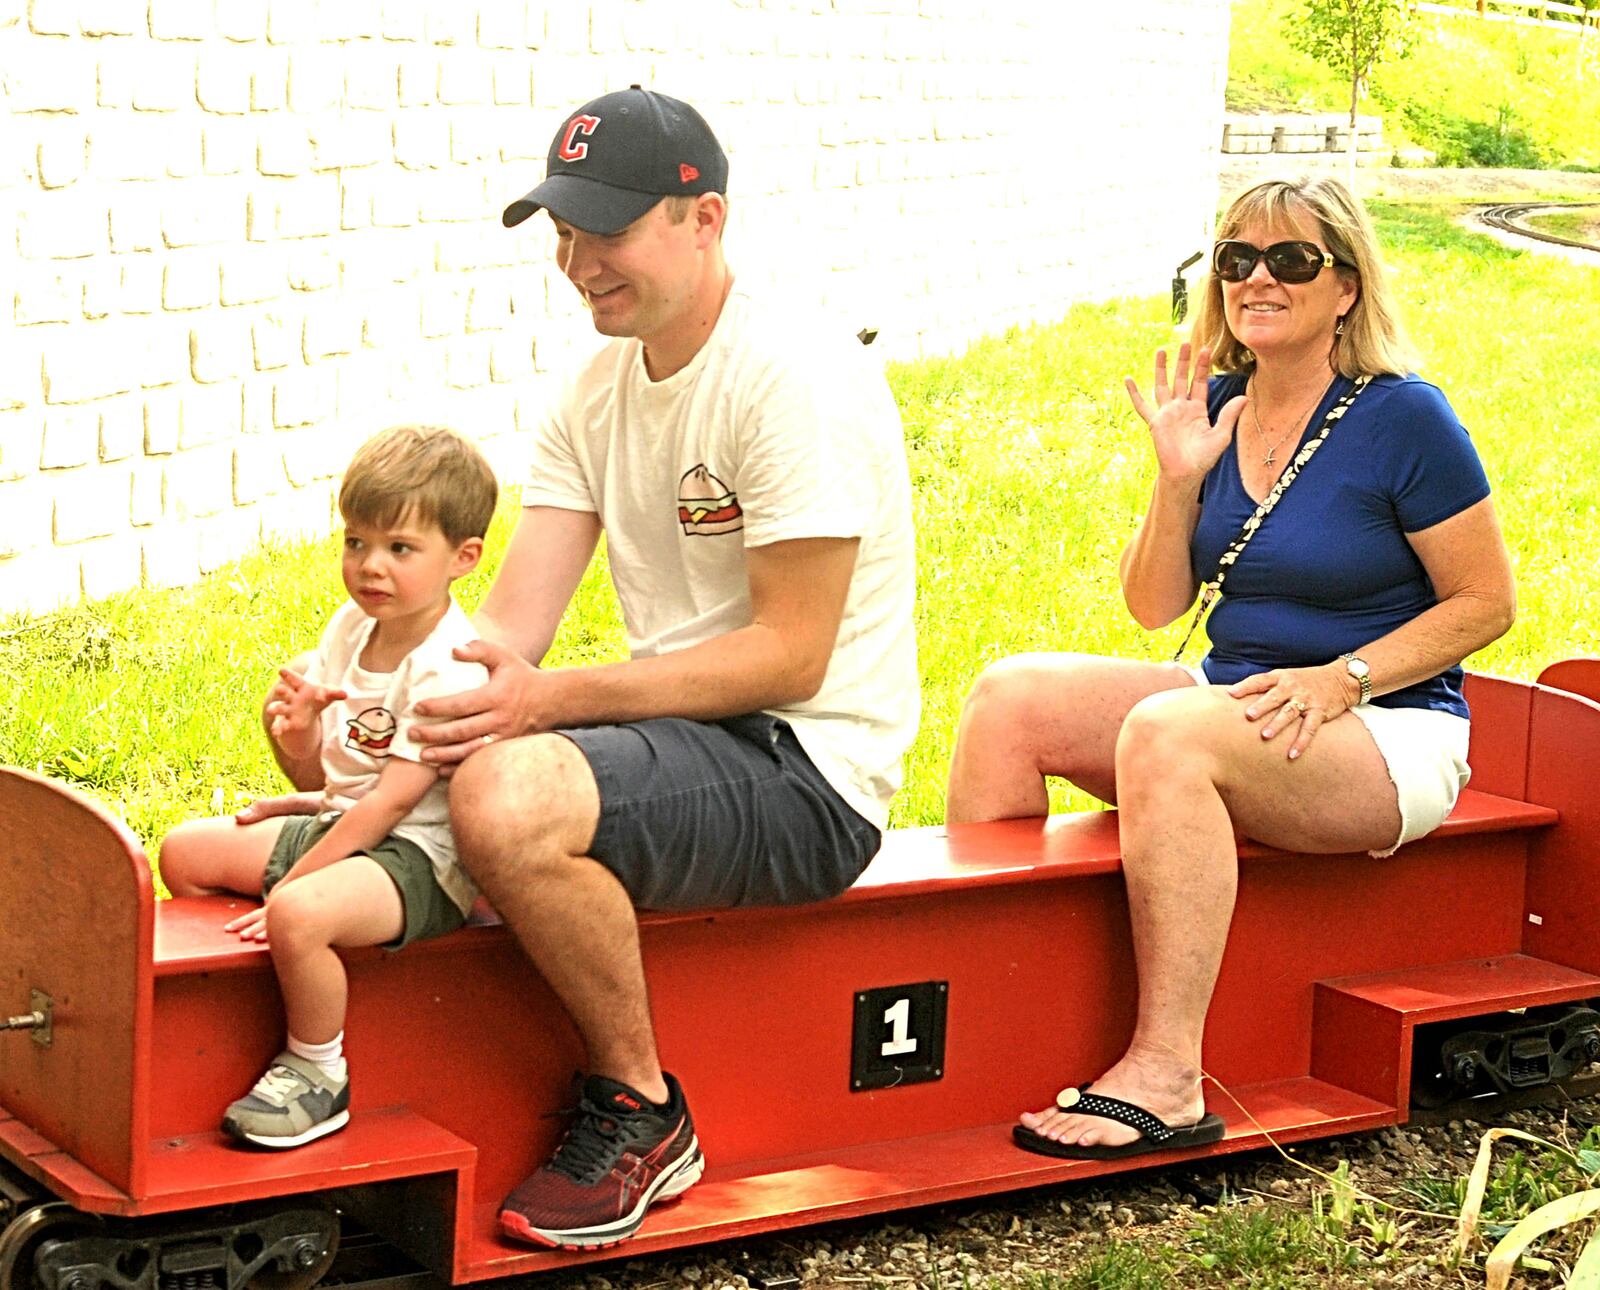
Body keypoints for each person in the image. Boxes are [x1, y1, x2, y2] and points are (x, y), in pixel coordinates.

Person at [379, 87, 914, 1249]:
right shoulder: (594, 391)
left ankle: (643, 1110)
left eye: (606, 231)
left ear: (704, 218)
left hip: (808, 763)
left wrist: (543, 708)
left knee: (510, 796)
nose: (578, 263)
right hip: (685, 741)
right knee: (460, 767)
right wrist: (376, 739)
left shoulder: (794, 378)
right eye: (565, 233)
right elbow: (506, 636)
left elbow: (791, 652)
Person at [945, 175, 1515, 1161]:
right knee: (1009, 700)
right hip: (1241, 705)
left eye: (1290, 260)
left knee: (1166, 734)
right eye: (1235, 258)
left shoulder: (1404, 419)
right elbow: (1154, 607)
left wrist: (1344, 677)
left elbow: (1486, 604)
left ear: (1345, 287)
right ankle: (988, 1013)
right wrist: (1174, 485)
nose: (1257, 278)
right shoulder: (1216, 403)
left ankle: (1166, 1073)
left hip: (1389, 729)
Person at [160, 424, 497, 1149]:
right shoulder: (353, 628)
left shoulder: (448, 667)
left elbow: (391, 802)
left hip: (421, 863)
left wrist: (295, 886)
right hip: (345, 829)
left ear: (463, 558)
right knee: (184, 853)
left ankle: (318, 1072)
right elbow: (331, 779)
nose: (369, 566)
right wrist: (296, 739)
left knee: (300, 912)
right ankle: (256, 1003)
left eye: (400, 549)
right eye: (356, 542)